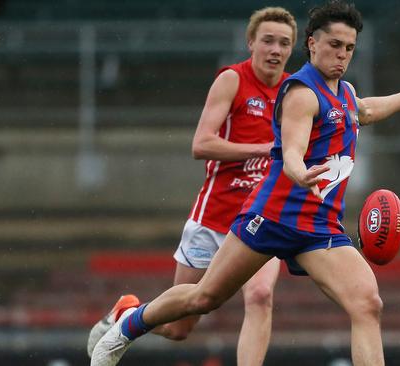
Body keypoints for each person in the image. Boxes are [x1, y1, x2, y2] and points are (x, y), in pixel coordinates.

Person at [90, 1, 400, 365]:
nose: (342, 55)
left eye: (349, 48)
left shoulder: (345, 92)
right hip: (273, 217)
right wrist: (297, 170)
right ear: (312, 44)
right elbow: (290, 149)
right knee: (203, 298)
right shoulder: (302, 93)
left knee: (367, 304)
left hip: (319, 227)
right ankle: (128, 323)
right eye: (334, 45)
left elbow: (362, 111)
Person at [86, 7, 297, 366]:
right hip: (214, 217)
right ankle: (128, 313)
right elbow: (201, 144)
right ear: (251, 42)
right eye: (267, 40)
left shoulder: (295, 90)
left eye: (284, 43)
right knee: (180, 328)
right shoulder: (232, 80)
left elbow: (350, 109)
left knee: (261, 295)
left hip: (260, 218)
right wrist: (263, 148)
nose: (275, 49)